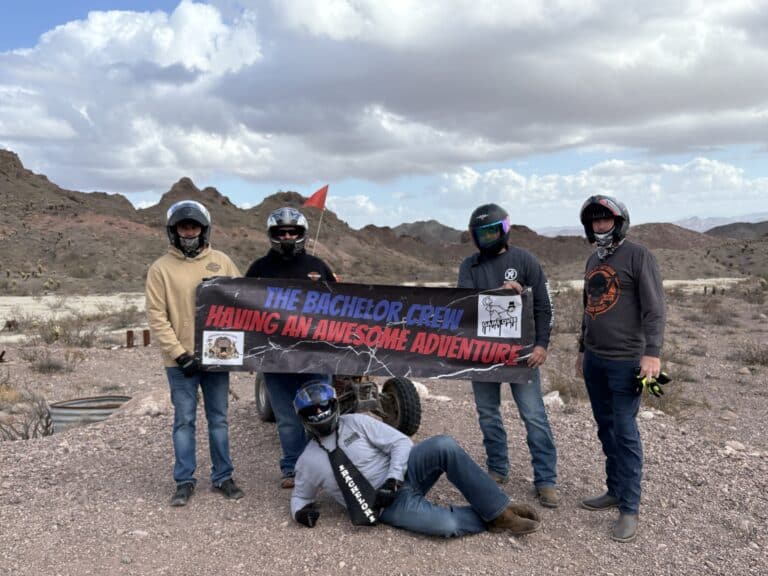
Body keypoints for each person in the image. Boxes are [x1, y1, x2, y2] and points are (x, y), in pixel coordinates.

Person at [290, 381, 542, 538]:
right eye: (312, 412)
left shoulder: (356, 422)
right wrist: (300, 514)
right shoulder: (308, 461)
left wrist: (393, 479)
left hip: (402, 475)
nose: (319, 414)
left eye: (323, 408)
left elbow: (401, 442)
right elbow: (300, 497)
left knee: (444, 444)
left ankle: (499, 510)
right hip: (383, 506)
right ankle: (495, 515)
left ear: (333, 406)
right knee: (446, 525)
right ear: (304, 418)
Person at [576, 194, 666, 543]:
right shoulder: (592, 259)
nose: (600, 225)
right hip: (596, 358)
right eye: (594, 221)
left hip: (628, 359)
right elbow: (589, 308)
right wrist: (582, 349)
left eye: (605, 220)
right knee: (605, 427)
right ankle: (614, 489)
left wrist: (653, 353)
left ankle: (629, 507)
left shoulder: (639, 255)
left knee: (625, 431)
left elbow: (655, 308)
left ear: (619, 221)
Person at [457, 203, 559, 508]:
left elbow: (542, 304)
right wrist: (499, 295)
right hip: (483, 354)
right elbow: (462, 305)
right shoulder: (469, 266)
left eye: (492, 231)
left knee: (534, 415)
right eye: (481, 233)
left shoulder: (525, 260)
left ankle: (546, 479)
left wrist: (542, 345)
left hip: (522, 354)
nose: (487, 238)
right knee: (488, 413)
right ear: (474, 236)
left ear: (505, 230)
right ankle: (498, 468)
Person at [146, 200, 244, 507]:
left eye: (194, 226)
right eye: (183, 227)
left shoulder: (223, 262)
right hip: (180, 363)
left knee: (219, 419)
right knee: (184, 421)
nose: (189, 232)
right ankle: (184, 480)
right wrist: (179, 354)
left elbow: (244, 300)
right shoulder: (160, 269)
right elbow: (156, 317)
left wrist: (246, 349)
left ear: (204, 230)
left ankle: (223, 477)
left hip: (217, 356)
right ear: (173, 231)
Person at [245, 206, 336, 488]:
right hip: (275, 357)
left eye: (292, 232)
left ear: (301, 234)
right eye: (281, 232)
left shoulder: (318, 266)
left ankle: (326, 466)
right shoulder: (259, 268)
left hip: (314, 355)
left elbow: (341, 306)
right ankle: (292, 469)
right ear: (272, 235)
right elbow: (239, 306)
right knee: (286, 416)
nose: (287, 236)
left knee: (321, 413)